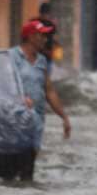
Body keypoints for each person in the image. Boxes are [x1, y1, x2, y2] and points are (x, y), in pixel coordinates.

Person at [12, 20, 72, 177]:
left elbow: (49, 91)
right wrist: (20, 99)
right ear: (31, 37)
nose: (45, 39)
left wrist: (64, 117)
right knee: (14, 163)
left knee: (29, 165)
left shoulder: (42, 60)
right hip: (15, 119)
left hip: (37, 119)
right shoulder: (12, 57)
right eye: (41, 35)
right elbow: (2, 84)